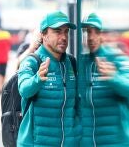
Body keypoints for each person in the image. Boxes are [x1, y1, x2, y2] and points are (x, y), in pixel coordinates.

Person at [17, 11, 81, 147]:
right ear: (43, 35)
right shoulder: (32, 61)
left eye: (66, 32)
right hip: (36, 143)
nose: (64, 37)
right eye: (58, 31)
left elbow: (78, 103)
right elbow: (24, 89)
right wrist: (38, 79)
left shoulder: (72, 62)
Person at [78, 13, 129, 146]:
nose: (91, 37)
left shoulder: (118, 58)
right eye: (87, 32)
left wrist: (114, 78)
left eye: (95, 32)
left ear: (101, 34)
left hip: (120, 142)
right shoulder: (79, 63)